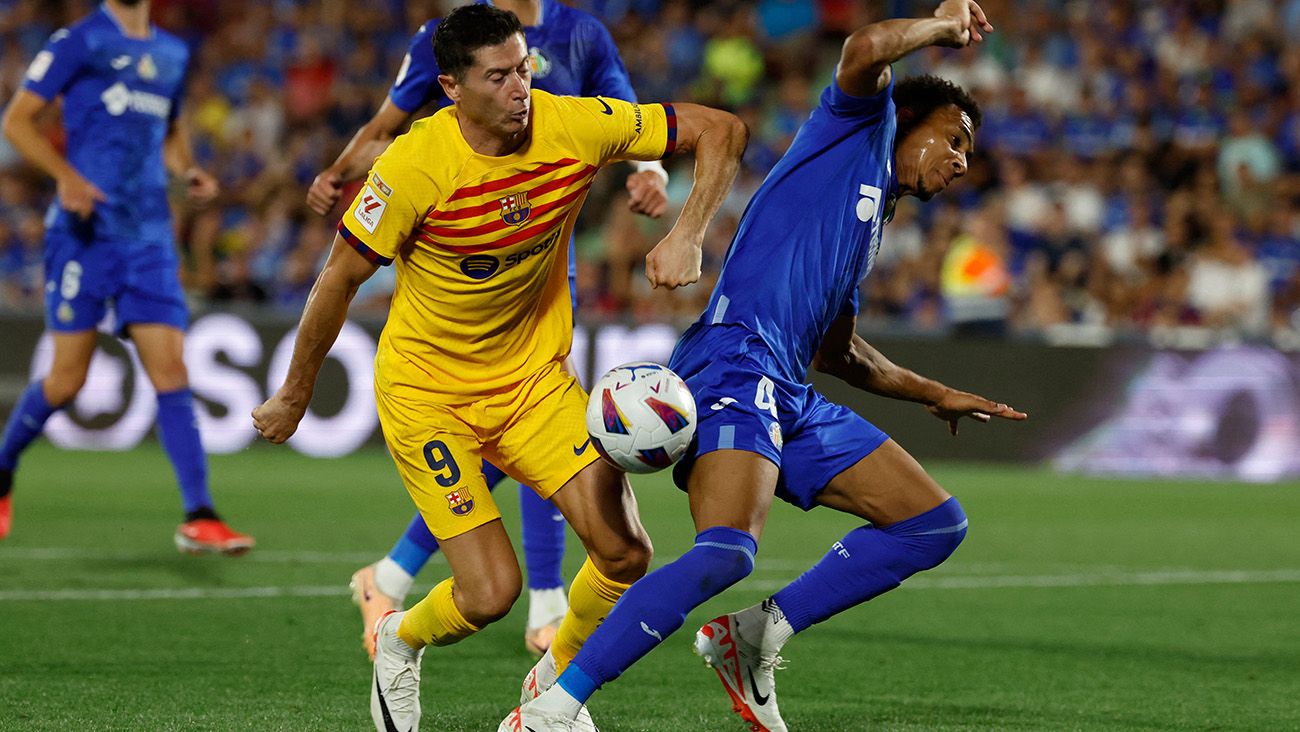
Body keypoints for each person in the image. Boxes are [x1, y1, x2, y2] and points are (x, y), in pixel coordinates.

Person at [506, 2, 1027, 731]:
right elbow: (865, 45)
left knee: (933, 524)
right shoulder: (857, 128)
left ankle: (755, 635)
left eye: (969, 151)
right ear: (909, 118)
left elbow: (839, 353)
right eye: (954, 138)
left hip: (788, 386)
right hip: (733, 360)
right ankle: (552, 709)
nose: (963, 160)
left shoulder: (868, 222)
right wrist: (942, 26)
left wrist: (936, 392)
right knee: (724, 552)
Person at [251, 6, 746, 731]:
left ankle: (550, 694)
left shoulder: (570, 123)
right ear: (451, 86)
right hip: (429, 396)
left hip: (532, 383)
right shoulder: (415, 165)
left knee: (624, 551)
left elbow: (720, 129)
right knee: (489, 595)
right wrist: (295, 393)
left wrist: (688, 232)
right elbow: (337, 280)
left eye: (524, 67)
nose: (522, 86)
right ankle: (398, 639)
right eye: (500, 75)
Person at [307, 0, 671, 662]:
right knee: (508, 437)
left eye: (522, 70)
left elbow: (627, 111)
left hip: (542, 254)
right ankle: (543, 597)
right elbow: (386, 124)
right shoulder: (443, 40)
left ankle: (406, 577)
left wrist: (653, 173)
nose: (518, 84)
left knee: (532, 425)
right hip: (469, 251)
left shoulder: (581, 33)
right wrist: (339, 172)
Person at [0, 0, 253, 554]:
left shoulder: (171, 52)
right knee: (67, 381)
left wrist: (187, 170)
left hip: (149, 239)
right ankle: (2, 467)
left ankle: (200, 514)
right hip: (84, 234)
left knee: (172, 370)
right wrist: (65, 177)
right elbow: (16, 120)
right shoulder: (80, 41)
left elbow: (171, 131)